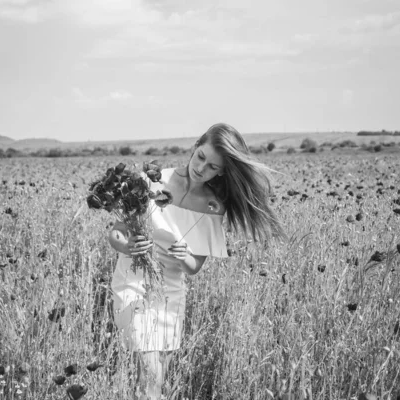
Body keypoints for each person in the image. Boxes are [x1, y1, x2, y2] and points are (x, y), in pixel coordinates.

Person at [108, 123, 285, 399]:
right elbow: (116, 233)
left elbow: (193, 268)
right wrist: (128, 246)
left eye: (213, 167)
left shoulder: (211, 205)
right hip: (133, 283)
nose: (201, 168)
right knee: (149, 376)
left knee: (155, 384)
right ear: (195, 146)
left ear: (223, 171)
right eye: (201, 156)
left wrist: (184, 256)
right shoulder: (151, 182)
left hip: (170, 294)